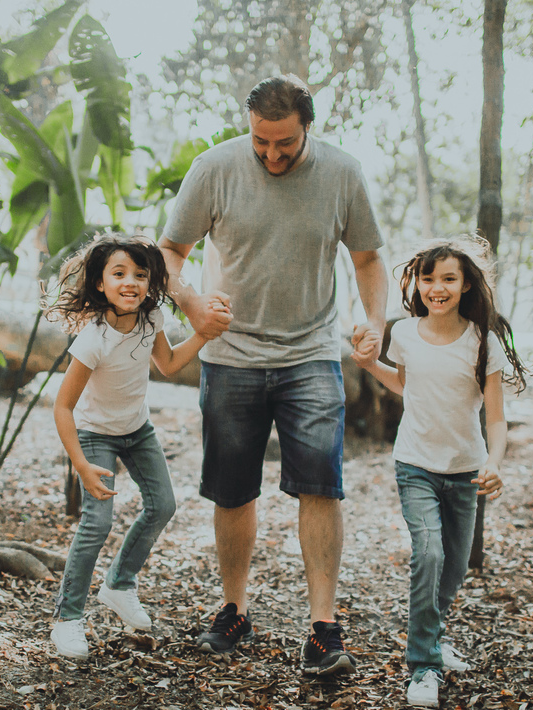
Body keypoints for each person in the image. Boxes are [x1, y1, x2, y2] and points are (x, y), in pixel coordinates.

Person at [158, 74, 388, 677]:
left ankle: (322, 626)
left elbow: (367, 260)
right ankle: (233, 609)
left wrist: (375, 320)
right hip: (229, 355)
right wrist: (190, 302)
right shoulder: (215, 167)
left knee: (321, 484)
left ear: (307, 125)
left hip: (312, 353)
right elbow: (170, 252)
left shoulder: (342, 173)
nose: (272, 154)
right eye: (262, 141)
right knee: (233, 489)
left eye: (285, 143)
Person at [351, 235, 527, 708]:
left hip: (467, 469)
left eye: (448, 278)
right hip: (415, 465)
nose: (437, 288)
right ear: (417, 283)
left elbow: (495, 416)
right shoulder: (405, 333)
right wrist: (371, 364)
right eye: (428, 278)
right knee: (428, 555)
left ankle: (434, 635)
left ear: (466, 283)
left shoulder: (482, 341)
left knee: (453, 566)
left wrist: (495, 462)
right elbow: (405, 385)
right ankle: (423, 665)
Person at [45, 233, 211, 660]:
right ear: (100, 283)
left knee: (164, 505)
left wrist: (204, 334)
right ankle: (67, 620)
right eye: (119, 273)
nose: (131, 282)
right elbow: (63, 407)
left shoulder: (150, 317)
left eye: (140, 274)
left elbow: (169, 364)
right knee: (96, 523)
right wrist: (81, 464)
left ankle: (119, 584)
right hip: (95, 435)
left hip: (138, 430)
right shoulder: (92, 340)